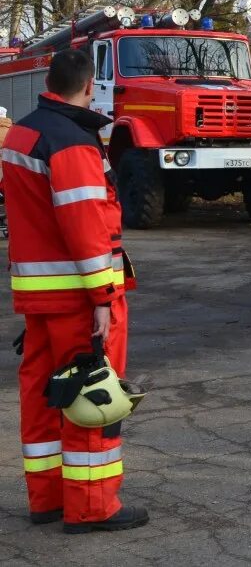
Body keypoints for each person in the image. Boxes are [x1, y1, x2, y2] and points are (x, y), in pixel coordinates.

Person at [2, 49, 148, 532]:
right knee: (93, 396)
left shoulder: (21, 133)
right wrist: (102, 299)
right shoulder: (73, 143)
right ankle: (91, 507)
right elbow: (86, 227)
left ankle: (46, 499)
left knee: (45, 395)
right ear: (90, 87)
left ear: (49, 81)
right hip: (78, 297)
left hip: (38, 296)